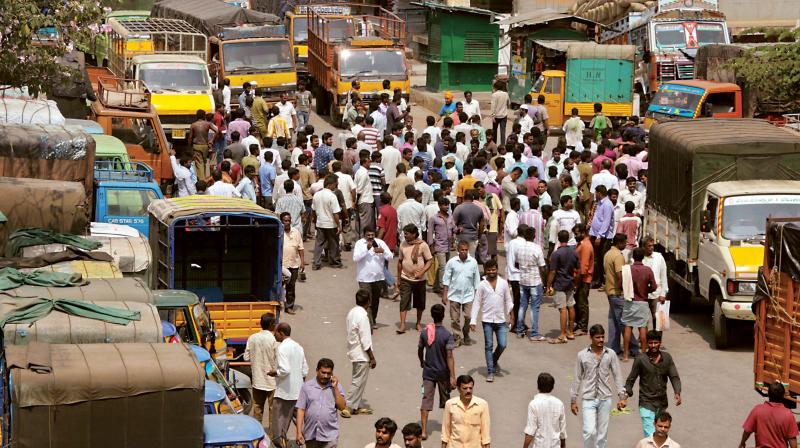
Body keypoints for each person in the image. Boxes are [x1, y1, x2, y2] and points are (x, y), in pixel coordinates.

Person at [570, 324, 627, 448]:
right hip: (588, 398)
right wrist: (573, 400)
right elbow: (577, 378)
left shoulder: (610, 354)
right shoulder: (582, 355)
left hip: (605, 398)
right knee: (589, 431)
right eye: (597, 337)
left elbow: (617, 376)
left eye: (602, 337)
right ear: (591, 338)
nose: (601, 340)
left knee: (602, 434)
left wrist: (622, 397)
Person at [625, 330, 682, 437]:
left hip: (661, 403)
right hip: (646, 402)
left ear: (660, 343)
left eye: (655, 343)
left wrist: (677, 392)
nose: (653, 345)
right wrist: (624, 397)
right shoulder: (640, 359)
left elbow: (674, 377)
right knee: (650, 435)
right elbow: (630, 380)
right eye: (650, 343)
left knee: (660, 433)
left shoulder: (667, 358)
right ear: (646, 344)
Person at [470, 259, 512, 383]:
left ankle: (494, 359)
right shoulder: (482, 285)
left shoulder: (503, 283)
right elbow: (477, 303)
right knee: (488, 346)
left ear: (497, 269)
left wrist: (511, 315)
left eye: (493, 269)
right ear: (486, 271)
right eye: (489, 270)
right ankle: (490, 371)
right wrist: (473, 321)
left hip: (500, 320)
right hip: (487, 320)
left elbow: (508, 300)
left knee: (503, 344)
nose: (491, 272)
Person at [418, 304, 456, 440]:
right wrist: (452, 376)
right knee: (447, 402)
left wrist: (422, 361)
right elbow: (449, 356)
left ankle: (423, 431)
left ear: (432, 316)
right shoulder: (447, 335)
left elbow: (419, 349)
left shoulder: (425, 332)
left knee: (425, 400)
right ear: (443, 315)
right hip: (443, 374)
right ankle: (448, 430)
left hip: (428, 373)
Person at [269, 323, 308, 448]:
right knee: (301, 422)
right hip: (299, 393)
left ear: (281, 333)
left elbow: (285, 370)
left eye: (275, 332)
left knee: (279, 428)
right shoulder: (298, 347)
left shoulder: (282, 348)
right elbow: (305, 370)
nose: (274, 335)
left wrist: (274, 372)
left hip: (284, 394)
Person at [296, 358, 347, 448]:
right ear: (317, 371)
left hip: (330, 436)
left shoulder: (336, 386)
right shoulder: (307, 387)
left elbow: (342, 407)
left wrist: (335, 388)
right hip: (311, 435)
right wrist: (299, 432)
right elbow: (301, 410)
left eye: (329, 373)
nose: (325, 376)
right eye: (323, 372)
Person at [344, 289, 378, 418]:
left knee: (360, 380)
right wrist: (372, 357)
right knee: (358, 380)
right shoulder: (363, 315)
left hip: (353, 350)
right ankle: (348, 405)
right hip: (361, 353)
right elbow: (365, 339)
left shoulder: (352, 312)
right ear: (368, 301)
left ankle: (355, 405)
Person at [244, 314, 279, 434]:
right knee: (273, 412)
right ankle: (272, 438)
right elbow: (278, 360)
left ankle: (256, 436)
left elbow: (246, 357)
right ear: (271, 325)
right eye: (274, 323)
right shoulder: (274, 340)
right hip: (272, 382)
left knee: (257, 410)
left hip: (257, 380)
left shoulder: (252, 338)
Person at [442, 240, 481, 347]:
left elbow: (476, 280)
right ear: (458, 250)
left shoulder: (473, 262)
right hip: (454, 295)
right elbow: (446, 279)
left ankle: (466, 332)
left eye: (466, 250)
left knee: (468, 317)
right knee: (455, 319)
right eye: (462, 250)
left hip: (469, 295)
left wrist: (478, 296)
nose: (464, 252)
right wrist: (444, 294)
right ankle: (457, 337)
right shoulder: (452, 262)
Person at [396, 224, 433, 334]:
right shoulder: (403, 244)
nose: (405, 236)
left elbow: (429, 261)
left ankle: (418, 323)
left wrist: (421, 272)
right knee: (404, 302)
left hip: (420, 280)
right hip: (405, 278)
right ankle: (402, 324)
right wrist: (398, 278)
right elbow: (400, 262)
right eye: (404, 234)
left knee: (420, 303)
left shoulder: (423, 245)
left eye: (407, 234)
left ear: (413, 234)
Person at [354, 226, 394, 327]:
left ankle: (373, 320)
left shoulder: (380, 243)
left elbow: (390, 256)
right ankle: (368, 323)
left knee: (375, 301)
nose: (370, 237)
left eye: (372, 235)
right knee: (366, 301)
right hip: (364, 278)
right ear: (364, 235)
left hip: (378, 278)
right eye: (368, 235)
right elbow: (355, 258)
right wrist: (366, 250)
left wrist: (383, 252)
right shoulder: (359, 243)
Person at [740, 381, 798, 448]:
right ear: (783, 396)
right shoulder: (788, 414)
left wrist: (742, 443)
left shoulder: (758, 410)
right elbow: (793, 442)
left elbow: (747, 430)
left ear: (768, 394)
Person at [623, 248, 657, 362]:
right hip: (643, 302)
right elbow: (654, 287)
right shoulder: (647, 270)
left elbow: (621, 284)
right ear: (643, 257)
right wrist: (646, 290)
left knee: (628, 327)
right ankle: (643, 355)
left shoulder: (627, 269)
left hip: (629, 301)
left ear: (633, 256)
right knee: (643, 328)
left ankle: (626, 355)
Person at [514, 225, 547, 341]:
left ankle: (519, 330)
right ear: (534, 236)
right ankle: (534, 333)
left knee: (523, 305)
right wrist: (545, 282)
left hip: (523, 280)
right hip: (534, 281)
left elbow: (516, 263)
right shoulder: (537, 248)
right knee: (534, 307)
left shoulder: (520, 248)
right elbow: (542, 268)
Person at [546, 230, 578, 344]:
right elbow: (577, 270)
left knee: (562, 309)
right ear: (568, 238)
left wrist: (548, 285)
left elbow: (553, 271)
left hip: (559, 284)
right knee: (571, 306)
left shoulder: (556, 254)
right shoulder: (574, 252)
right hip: (570, 283)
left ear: (558, 239)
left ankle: (562, 335)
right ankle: (570, 332)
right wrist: (575, 283)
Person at [441, 375, 491, 448]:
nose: (468, 391)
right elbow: (445, 430)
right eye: (465, 388)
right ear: (458, 389)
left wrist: (487, 446)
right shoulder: (450, 404)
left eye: (470, 388)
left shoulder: (482, 404)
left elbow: (485, 431)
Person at [523, 372, 567, 448]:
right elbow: (562, 431)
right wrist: (563, 446)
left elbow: (530, 431)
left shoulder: (534, 404)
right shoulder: (559, 404)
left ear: (538, 386)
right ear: (552, 387)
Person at [312, 175, 343, 270]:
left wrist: (315, 220)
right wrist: (339, 225)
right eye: (335, 184)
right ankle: (334, 261)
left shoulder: (317, 195)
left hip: (320, 223)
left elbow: (313, 210)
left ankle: (316, 262)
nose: (336, 186)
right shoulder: (332, 196)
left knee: (319, 243)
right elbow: (336, 213)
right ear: (330, 185)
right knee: (333, 243)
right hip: (331, 224)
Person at [589, 185, 614, 288]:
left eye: (595, 193)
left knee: (603, 259)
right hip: (596, 235)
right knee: (597, 259)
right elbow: (596, 218)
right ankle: (599, 280)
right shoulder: (599, 203)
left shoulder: (607, 204)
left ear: (599, 193)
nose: (595, 195)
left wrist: (600, 236)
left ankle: (603, 281)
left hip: (603, 237)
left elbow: (606, 222)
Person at [428, 197, 455, 294]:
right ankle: (443, 287)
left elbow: (454, 228)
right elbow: (430, 233)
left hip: (448, 246)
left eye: (448, 204)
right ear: (439, 206)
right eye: (444, 205)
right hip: (439, 246)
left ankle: (435, 286)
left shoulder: (451, 217)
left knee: (443, 266)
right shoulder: (434, 218)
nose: (447, 206)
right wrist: (431, 246)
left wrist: (459, 230)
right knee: (443, 267)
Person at [642, 237, 668, 330]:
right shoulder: (639, 258)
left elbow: (663, 276)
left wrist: (663, 294)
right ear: (643, 247)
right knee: (643, 319)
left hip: (657, 294)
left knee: (658, 319)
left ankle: (657, 338)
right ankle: (643, 338)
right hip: (643, 294)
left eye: (652, 245)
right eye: (649, 246)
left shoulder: (659, 257)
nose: (651, 248)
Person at [280, 212, 304, 314]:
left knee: (291, 286)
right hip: (282, 265)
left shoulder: (296, 232)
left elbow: (301, 248)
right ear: (281, 221)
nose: (287, 222)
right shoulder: (279, 232)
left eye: (289, 220)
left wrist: (302, 262)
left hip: (294, 264)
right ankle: (278, 305)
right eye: (285, 221)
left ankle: (289, 306)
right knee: (279, 285)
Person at [573, 223, 594, 336]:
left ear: (582, 232)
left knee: (582, 303)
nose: (575, 236)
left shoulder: (585, 246)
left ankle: (583, 327)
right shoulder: (582, 244)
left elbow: (583, 268)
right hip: (580, 278)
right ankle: (579, 323)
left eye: (576, 234)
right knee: (578, 302)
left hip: (583, 279)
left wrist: (577, 283)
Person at [453, 190, 485, 259]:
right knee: (471, 257)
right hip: (473, 237)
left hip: (461, 237)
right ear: (473, 198)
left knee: (460, 258)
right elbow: (482, 225)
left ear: (464, 197)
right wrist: (479, 237)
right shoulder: (479, 209)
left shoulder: (459, 208)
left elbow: (453, 224)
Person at [188, 109, 218, 178]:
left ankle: (202, 181)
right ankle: (203, 178)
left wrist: (189, 146)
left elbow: (190, 137)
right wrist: (212, 140)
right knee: (203, 163)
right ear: (204, 116)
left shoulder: (193, 125)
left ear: (197, 116)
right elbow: (217, 131)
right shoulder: (208, 124)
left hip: (197, 146)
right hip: (205, 146)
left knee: (199, 164)